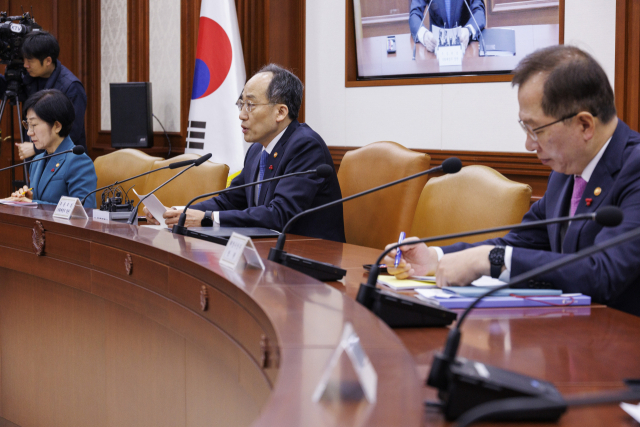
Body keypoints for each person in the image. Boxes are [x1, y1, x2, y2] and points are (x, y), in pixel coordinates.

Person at [386, 45, 640, 317]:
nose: (529, 144)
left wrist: (490, 260)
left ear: (585, 125)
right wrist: (435, 258)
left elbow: (604, 272)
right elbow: (518, 244)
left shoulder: (634, 168)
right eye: (524, 127)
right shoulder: (565, 173)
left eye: (536, 129)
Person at [145, 64, 345, 242]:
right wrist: (181, 212)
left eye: (251, 104)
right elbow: (229, 200)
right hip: (270, 253)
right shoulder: (257, 150)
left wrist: (207, 219)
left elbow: (280, 215)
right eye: (241, 104)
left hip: (310, 259)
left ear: (281, 112)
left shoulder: (306, 146)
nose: (241, 114)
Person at [3, 89, 96, 207]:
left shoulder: (78, 161)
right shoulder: (37, 161)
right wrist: (29, 199)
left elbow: (84, 211)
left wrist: (34, 203)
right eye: (28, 125)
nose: (29, 133)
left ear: (57, 126)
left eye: (34, 125)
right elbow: (41, 200)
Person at [13, 31, 87, 160]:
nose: (25, 65)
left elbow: (72, 132)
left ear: (48, 60)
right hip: (38, 162)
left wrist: (35, 148)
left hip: (65, 161)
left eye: (30, 60)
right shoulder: (30, 79)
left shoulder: (71, 86)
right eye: (23, 60)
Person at [409, 0, 486, 52]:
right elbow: (415, 13)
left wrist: (468, 30)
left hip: (465, 47)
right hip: (435, 48)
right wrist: (424, 35)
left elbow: (479, 11)